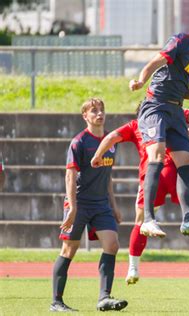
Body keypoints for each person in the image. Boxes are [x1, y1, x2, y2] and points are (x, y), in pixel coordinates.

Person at [91, 108, 189, 284]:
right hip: (178, 174)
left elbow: (111, 137)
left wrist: (97, 155)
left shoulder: (136, 124)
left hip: (151, 178)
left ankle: (133, 269)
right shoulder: (173, 112)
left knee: (141, 222)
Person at [128, 12, 189, 238]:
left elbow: (181, 86)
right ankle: (149, 220)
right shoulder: (182, 41)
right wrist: (141, 80)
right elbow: (158, 60)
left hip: (175, 110)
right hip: (156, 106)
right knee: (157, 155)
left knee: (185, 160)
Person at [50, 98, 128, 312]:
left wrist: (114, 205)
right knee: (69, 250)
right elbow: (70, 175)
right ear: (85, 116)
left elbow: (107, 175)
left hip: (101, 204)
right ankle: (56, 301)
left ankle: (104, 298)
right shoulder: (79, 142)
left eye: (102, 109)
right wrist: (72, 208)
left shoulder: (111, 141)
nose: (99, 113)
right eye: (94, 111)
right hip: (79, 203)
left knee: (112, 244)